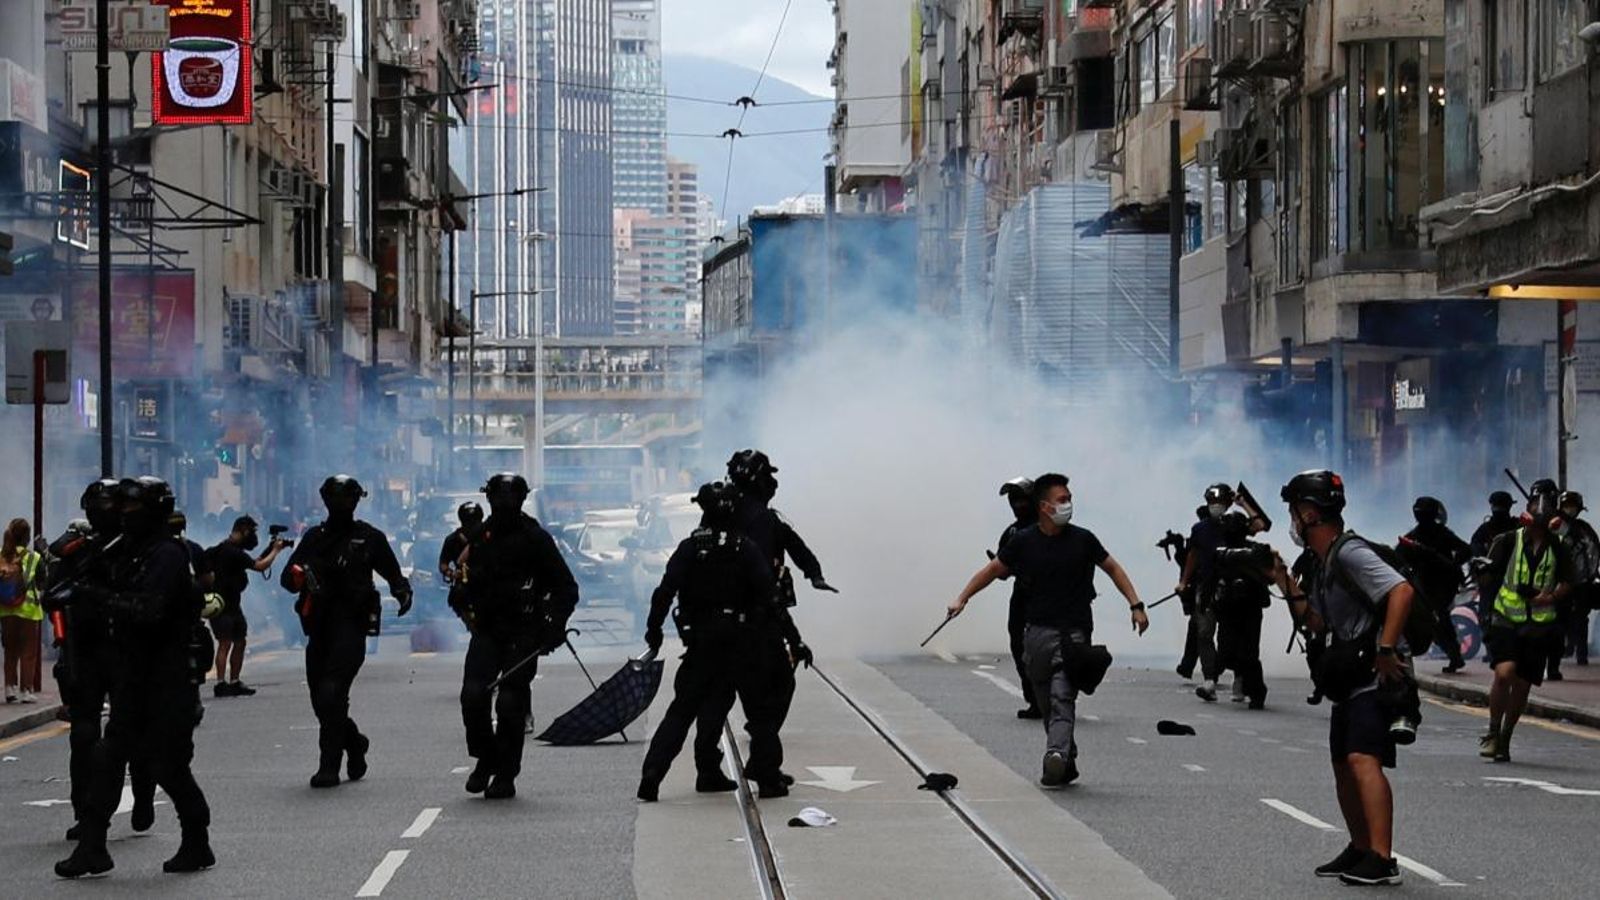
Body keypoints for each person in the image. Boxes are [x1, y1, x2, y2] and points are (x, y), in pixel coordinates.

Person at [947, 473, 1150, 787]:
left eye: (1069, 499)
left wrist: (1136, 604)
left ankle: (1055, 754)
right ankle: (1065, 755)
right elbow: (993, 570)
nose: (1068, 504)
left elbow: (1112, 567)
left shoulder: (1084, 539)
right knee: (1045, 701)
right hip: (1037, 634)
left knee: (1062, 696)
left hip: (1075, 634)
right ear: (1044, 507)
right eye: (1062, 500)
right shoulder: (1022, 540)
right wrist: (962, 598)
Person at [55, 477, 213, 878]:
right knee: (107, 757)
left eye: (130, 510)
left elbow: (149, 610)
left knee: (168, 767)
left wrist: (96, 595)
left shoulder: (167, 555)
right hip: (133, 674)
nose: (122, 516)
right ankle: (92, 846)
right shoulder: (126, 550)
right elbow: (71, 586)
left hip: (168, 678)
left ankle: (197, 839)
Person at [1276, 470, 1415, 886]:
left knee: (1363, 759)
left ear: (1308, 513)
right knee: (1342, 763)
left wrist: (1387, 649)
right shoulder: (1322, 563)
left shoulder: (1351, 553)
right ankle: (1359, 846)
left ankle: (1382, 857)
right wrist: (1284, 581)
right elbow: (1315, 623)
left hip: (1376, 674)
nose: (1293, 522)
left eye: (1294, 513)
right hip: (1348, 674)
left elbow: (1401, 591)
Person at [638, 481, 787, 802]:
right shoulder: (744, 547)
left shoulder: (690, 548)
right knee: (760, 714)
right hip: (741, 643)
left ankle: (654, 773)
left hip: (701, 644)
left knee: (681, 712)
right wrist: (792, 638)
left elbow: (664, 592)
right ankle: (769, 779)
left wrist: (654, 629)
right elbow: (771, 596)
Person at [690, 450, 826, 786]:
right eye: (768, 476)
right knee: (774, 689)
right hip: (756, 623)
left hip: (712, 624)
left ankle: (708, 769)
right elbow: (772, 573)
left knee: (715, 696)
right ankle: (764, 768)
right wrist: (792, 632)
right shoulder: (762, 520)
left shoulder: (718, 512)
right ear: (756, 478)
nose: (773, 483)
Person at [280, 475, 412, 789]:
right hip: (319, 628)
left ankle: (329, 766)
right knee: (320, 701)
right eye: (335, 498)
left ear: (355, 501)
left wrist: (402, 592)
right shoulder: (314, 538)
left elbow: (394, 574)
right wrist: (299, 577)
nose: (341, 505)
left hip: (351, 627)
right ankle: (353, 742)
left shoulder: (369, 538)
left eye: (346, 498)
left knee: (332, 694)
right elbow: (288, 578)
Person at [452, 474, 578, 800]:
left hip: (524, 631)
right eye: (498, 498)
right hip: (487, 630)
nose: (504, 504)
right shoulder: (480, 537)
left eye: (511, 498)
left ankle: (506, 773)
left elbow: (566, 587)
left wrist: (553, 625)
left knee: (510, 701)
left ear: (521, 500)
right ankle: (486, 757)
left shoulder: (536, 539)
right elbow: (463, 581)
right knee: (473, 695)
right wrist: (462, 597)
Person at [1475, 482, 1575, 763]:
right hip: (1506, 617)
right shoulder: (1508, 540)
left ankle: (1506, 737)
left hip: (1540, 625)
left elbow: (1569, 581)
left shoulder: (1559, 546)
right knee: (1504, 673)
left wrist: (1551, 596)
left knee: (1522, 684)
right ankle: (1493, 732)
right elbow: (1488, 574)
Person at [205, 516, 289, 697]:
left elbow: (252, 561)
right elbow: (259, 566)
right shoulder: (230, 551)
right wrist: (275, 551)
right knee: (225, 643)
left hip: (232, 605)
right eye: (250, 532)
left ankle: (234, 681)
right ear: (242, 530)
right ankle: (220, 683)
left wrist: (270, 548)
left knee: (240, 641)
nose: (252, 536)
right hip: (222, 606)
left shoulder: (229, 550)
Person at [1398, 497, 1471, 674]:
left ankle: (1455, 656)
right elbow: (1398, 559)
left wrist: (1452, 564)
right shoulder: (1414, 538)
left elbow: (1466, 551)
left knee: (1438, 621)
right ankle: (1455, 656)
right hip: (1427, 587)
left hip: (1441, 586)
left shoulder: (1437, 534)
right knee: (1437, 622)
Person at [1177, 484, 1232, 702]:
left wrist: (1243, 503)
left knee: (1230, 636)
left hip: (1232, 589)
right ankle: (1209, 679)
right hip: (1206, 587)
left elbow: (1261, 525)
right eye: (1211, 502)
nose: (1215, 506)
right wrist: (1184, 582)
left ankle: (1238, 676)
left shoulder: (1235, 525)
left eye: (1219, 502)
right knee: (1204, 632)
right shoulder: (1199, 530)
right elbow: (1193, 555)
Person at [1211, 512, 1270, 709]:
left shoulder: (1256, 549)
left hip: (1250, 608)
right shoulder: (1220, 552)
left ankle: (1256, 692)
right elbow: (1213, 574)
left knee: (1249, 654)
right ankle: (1233, 682)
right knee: (1226, 650)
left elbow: (1269, 574)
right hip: (1228, 608)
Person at [997, 477, 1042, 718]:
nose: (1017, 503)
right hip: (1023, 596)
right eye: (1013, 499)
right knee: (1019, 645)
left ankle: (1057, 697)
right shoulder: (1012, 532)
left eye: (1022, 498)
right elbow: (1001, 570)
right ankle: (1035, 700)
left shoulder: (1049, 527)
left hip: (1050, 597)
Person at [0, 518, 44, 703]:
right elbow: (42, 582)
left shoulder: (1, 556)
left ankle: (9, 688)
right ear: (26, 536)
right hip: (28, 611)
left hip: (6, 611)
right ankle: (26, 690)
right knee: (28, 652)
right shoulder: (34, 557)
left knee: (10, 650)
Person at [1557, 491, 1598, 667]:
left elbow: (1594, 551)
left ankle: (1581, 655)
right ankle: (1563, 651)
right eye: (1567, 506)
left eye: (1573, 506)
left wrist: (1590, 574)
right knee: (1560, 618)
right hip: (1561, 581)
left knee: (1581, 618)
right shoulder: (1556, 526)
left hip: (1582, 581)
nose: (1570, 510)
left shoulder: (1584, 529)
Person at [439, 501, 483, 584]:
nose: (472, 526)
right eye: (469, 522)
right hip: (463, 583)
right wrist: (450, 573)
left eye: (475, 522)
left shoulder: (487, 537)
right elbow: (443, 562)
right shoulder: (452, 540)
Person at [1470, 491, 1519, 558]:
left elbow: (1475, 546)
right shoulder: (1518, 525)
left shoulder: (1485, 528)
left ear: (1492, 507)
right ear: (1509, 506)